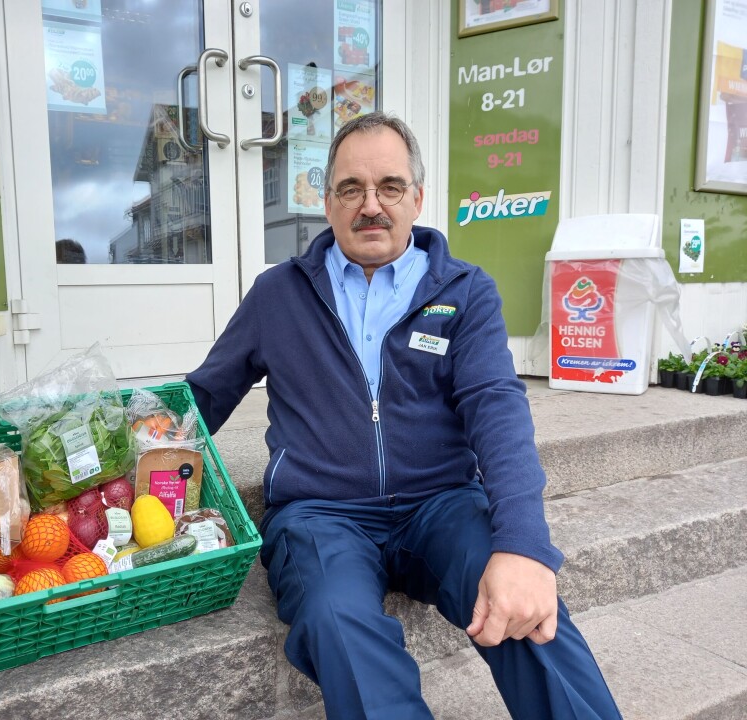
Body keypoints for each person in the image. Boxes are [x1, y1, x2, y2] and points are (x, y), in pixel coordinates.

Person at [186, 112, 621, 719]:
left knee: (526, 611)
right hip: (321, 514)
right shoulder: (276, 294)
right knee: (336, 619)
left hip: (441, 505)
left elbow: (496, 410)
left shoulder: (465, 290)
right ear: (328, 203)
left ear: (416, 198)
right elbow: (201, 399)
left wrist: (524, 545)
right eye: (350, 189)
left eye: (390, 187)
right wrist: (122, 456)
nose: (371, 205)